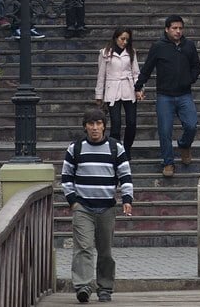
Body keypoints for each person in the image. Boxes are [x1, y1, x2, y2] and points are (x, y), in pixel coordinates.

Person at [61, 108, 133, 304]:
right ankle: (83, 286)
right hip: (83, 206)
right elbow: (66, 178)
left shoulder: (115, 148)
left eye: (98, 124)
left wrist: (127, 199)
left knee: (105, 250)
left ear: (104, 126)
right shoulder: (75, 148)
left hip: (107, 207)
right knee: (83, 247)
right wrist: (73, 202)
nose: (95, 128)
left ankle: (105, 288)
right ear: (85, 127)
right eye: (91, 124)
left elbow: (125, 176)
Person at [135, 15, 200, 177]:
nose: (178, 31)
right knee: (165, 130)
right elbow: (148, 68)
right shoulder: (158, 46)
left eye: (180, 28)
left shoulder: (189, 46)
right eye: (174, 28)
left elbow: (196, 66)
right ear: (167, 29)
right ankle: (168, 162)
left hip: (184, 94)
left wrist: (190, 79)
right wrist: (139, 86)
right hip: (165, 95)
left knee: (191, 125)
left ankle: (184, 145)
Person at [95, 28, 140, 159]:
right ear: (116, 38)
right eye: (122, 39)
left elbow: (136, 72)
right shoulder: (105, 53)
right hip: (112, 89)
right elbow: (101, 75)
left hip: (128, 88)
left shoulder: (131, 52)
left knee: (131, 122)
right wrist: (99, 94)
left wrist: (139, 89)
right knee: (116, 123)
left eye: (127, 39)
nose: (124, 42)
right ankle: (115, 149)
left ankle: (127, 148)